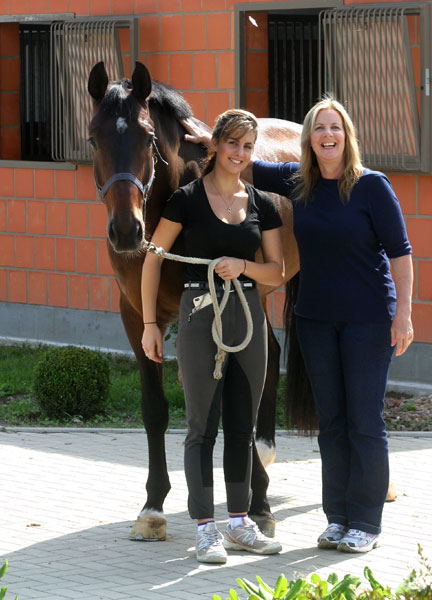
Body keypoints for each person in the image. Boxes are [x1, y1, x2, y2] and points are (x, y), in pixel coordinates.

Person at [181, 97, 414, 554]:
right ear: (308, 139)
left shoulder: (372, 186)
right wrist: (214, 140)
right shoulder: (297, 183)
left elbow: (401, 255)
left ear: (347, 136)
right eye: (319, 128)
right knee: (331, 423)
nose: (327, 135)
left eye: (335, 127)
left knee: (364, 422)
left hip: (368, 321)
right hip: (315, 322)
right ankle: (337, 518)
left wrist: (403, 315)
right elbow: (245, 163)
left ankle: (365, 522)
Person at [141, 109, 284, 564]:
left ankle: (240, 523)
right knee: (201, 429)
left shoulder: (261, 203)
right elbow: (152, 258)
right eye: (233, 143)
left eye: (248, 146)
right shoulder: (185, 199)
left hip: (247, 317)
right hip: (200, 315)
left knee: (242, 428)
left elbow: (276, 272)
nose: (239, 153)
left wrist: (243, 266)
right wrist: (150, 324)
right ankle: (205, 529)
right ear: (216, 144)